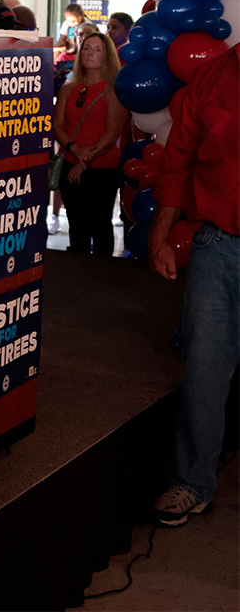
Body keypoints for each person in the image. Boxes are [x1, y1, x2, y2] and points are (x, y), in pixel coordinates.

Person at [148, 45, 238, 526]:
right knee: (204, 368)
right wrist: (160, 233)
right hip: (218, 246)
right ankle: (191, 482)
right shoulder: (212, 76)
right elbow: (178, 160)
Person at [51, 30, 128, 255]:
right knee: (77, 225)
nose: (89, 54)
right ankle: (78, 277)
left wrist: (84, 159)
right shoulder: (68, 89)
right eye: (86, 48)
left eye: (97, 49)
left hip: (102, 168)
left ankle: (103, 277)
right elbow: (58, 126)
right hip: (70, 163)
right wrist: (75, 150)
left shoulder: (114, 91)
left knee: (100, 225)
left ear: (107, 55)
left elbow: (112, 133)